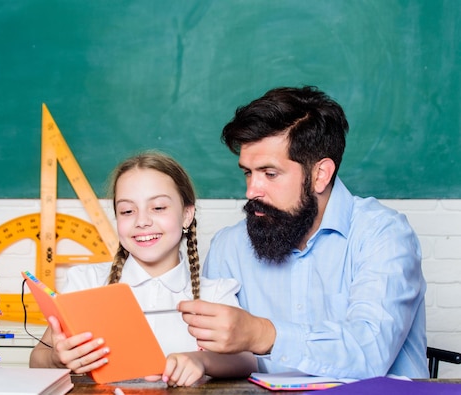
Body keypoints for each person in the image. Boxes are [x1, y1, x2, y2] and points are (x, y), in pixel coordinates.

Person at [178, 86, 428, 379]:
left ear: (320, 175)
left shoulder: (384, 235)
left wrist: (262, 334)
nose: (251, 191)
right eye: (248, 172)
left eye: (270, 174)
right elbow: (217, 360)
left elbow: (370, 353)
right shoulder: (229, 246)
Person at [29, 151, 257, 386]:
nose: (141, 221)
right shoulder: (86, 282)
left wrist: (201, 360)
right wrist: (57, 358)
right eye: (127, 211)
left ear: (187, 215)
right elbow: (37, 359)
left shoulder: (215, 293)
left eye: (158, 208)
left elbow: (247, 360)